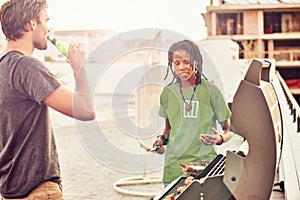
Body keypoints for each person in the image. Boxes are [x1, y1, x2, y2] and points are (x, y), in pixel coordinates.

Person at [0, 0, 95, 199]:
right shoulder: (26, 66)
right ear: (31, 24)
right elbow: (85, 110)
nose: (49, 28)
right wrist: (80, 69)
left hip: (9, 191)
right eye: (45, 20)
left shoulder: (3, 66)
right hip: (38, 192)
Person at [152, 40, 234, 185]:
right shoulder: (167, 92)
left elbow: (230, 129)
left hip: (204, 168)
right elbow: (168, 129)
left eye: (186, 62)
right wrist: (160, 140)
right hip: (173, 170)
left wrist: (220, 138)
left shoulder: (212, 91)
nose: (181, 67)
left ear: (196, 61)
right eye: (176, 63)